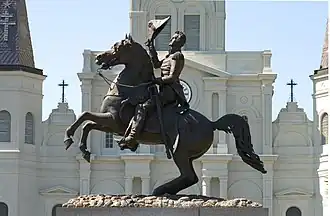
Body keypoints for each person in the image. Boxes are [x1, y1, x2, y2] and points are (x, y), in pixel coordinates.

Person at [119, 31, 190, 150]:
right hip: (163, 90)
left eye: (175, 38)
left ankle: (132, 138)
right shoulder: (169, 57)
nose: (171, 39)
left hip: (170, 92)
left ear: (179, 42)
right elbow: (156, 64)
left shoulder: (177, 56)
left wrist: (156, 81)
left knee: (143, 107)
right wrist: (151, 46)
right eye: (172, 37)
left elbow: (172, 77)